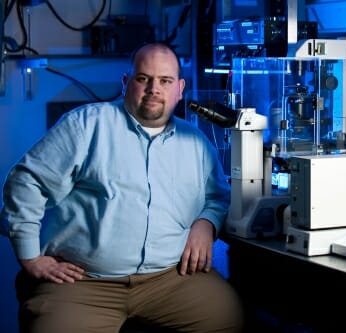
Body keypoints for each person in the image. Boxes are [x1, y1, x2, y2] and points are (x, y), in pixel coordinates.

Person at [0, 43, 244, 333]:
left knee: (229, 320)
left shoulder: (197, 143)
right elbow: (27, 182)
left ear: (180, 89)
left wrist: (207, 223)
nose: (154, 88)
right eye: (144, 78)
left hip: (169, 278)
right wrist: (31, 257)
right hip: (84, 282)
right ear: (127, 82)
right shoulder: (87, 125)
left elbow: (218, 196)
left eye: (165, 81)